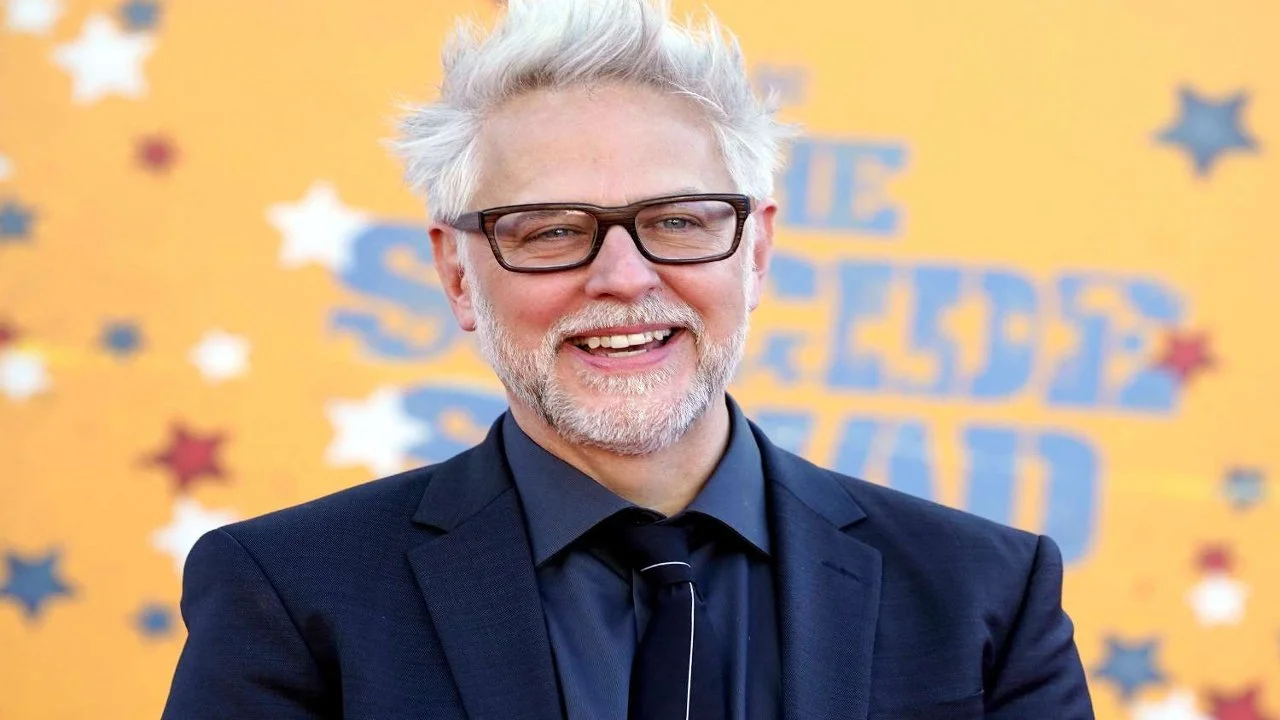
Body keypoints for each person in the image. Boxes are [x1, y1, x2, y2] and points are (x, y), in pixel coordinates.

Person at [161, 0, 1096, 717]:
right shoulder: (292, 593)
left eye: (679, 221)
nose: (622, 277)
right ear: (456, 274)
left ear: (757, 251)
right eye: (550, 229)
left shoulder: (986, 595)